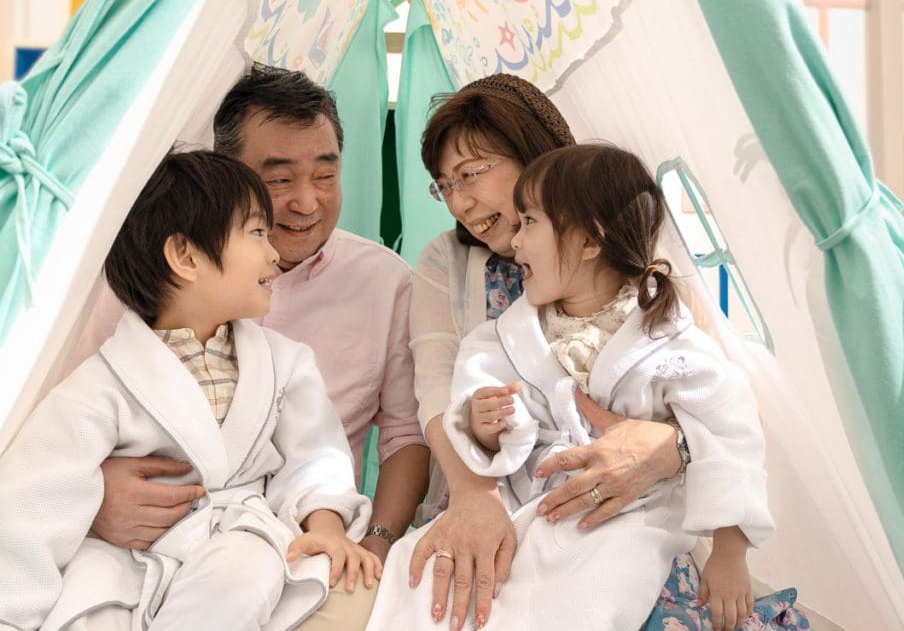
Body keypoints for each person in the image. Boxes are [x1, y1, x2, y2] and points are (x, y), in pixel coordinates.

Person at [72, 65, 430, 628]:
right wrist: (92, 498)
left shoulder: (387, 283)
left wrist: (376, 542)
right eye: (279, 179)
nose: (307, 203)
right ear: (225, 176)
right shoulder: (145, 277)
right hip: (140, 539)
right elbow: (68, 411)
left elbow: (404, 438)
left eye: (326, 174)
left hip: (303, 542)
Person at [368, 144, 773, 631]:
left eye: (530, 223)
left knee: (589, 592)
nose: (515, 242)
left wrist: (730, 553)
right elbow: (472, 408)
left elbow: (730, 434)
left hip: (626, 518)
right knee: (426, 575)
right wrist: (485, 425)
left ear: (589, 241)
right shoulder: (502, 337)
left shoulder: (671, 340)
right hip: (524, 505)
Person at [0, 151, 379, 630]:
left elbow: (316, 456)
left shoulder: (286, 364)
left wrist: (326, 526)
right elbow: (39, 494)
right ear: (186, 256)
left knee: (244, 571)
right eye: (257, 232)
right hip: (128, 557)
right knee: (89, 602)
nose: (273, 253)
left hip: (237, 537)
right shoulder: (103, 383)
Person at [393, 75, 695, 631]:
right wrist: (474, 493)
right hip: (496, 484)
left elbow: (702, 384)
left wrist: (669, 445)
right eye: (443, 185)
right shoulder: (448, 262)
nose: (460, 202)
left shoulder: (622, 244)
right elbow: (437, 390)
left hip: (624, 501)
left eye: (471, 174)